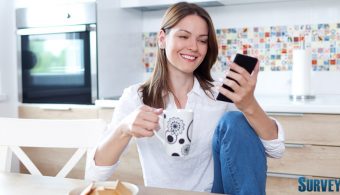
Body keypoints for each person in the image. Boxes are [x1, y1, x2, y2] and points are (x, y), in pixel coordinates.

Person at [86, 2, 285, 195]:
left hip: (214, 191)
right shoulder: (136, 97)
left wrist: (249, 105)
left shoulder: (219, 94)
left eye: (202, 40)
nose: (193, 47)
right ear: (162, 39)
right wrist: (124, 128)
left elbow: (276, 149)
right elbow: (95, 173)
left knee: (235, 120)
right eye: (183, 36)